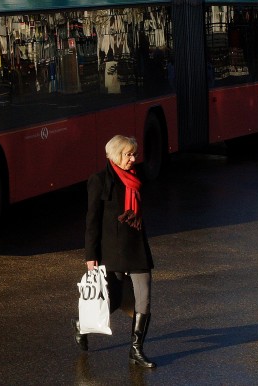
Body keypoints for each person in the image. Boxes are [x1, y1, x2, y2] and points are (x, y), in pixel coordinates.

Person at [79, 135, 156, 368]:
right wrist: (90, 255)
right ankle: (81, 325)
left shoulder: (134, 179)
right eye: (128, 154)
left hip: (136, 248)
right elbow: (92, 220)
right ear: (115, 155)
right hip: (112, 251)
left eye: (134, 154)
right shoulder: (99, 180)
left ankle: (136, 350)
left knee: (144, 298)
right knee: (109, 302)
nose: (133, 159)